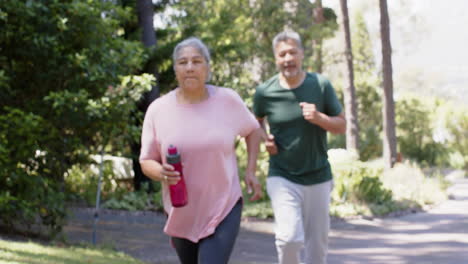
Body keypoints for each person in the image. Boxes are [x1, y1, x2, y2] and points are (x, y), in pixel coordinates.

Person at [139, 37, 263, 264]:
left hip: (224, 206)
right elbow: (147, 160)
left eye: (196, 61)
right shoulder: (158, 109)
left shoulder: (227, 100)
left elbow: (253, 131)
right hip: (181, 209)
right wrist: (161, 173)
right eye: (183, 62)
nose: (189, 67)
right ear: (175, 69)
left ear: (207, 67)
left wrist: (251, 171)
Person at [252, 30, 346, 264]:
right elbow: (255, 122)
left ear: (302, 54)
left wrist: (319, 118)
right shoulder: (265, 92)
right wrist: (265, 139)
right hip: (282, 174)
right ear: (276, 58)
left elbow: (342, 125)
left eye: (293, 52)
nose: (288, 58)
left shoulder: (321, 85)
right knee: (289, 239)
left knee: (317, 249)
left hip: (318, 175)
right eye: (282, 54)